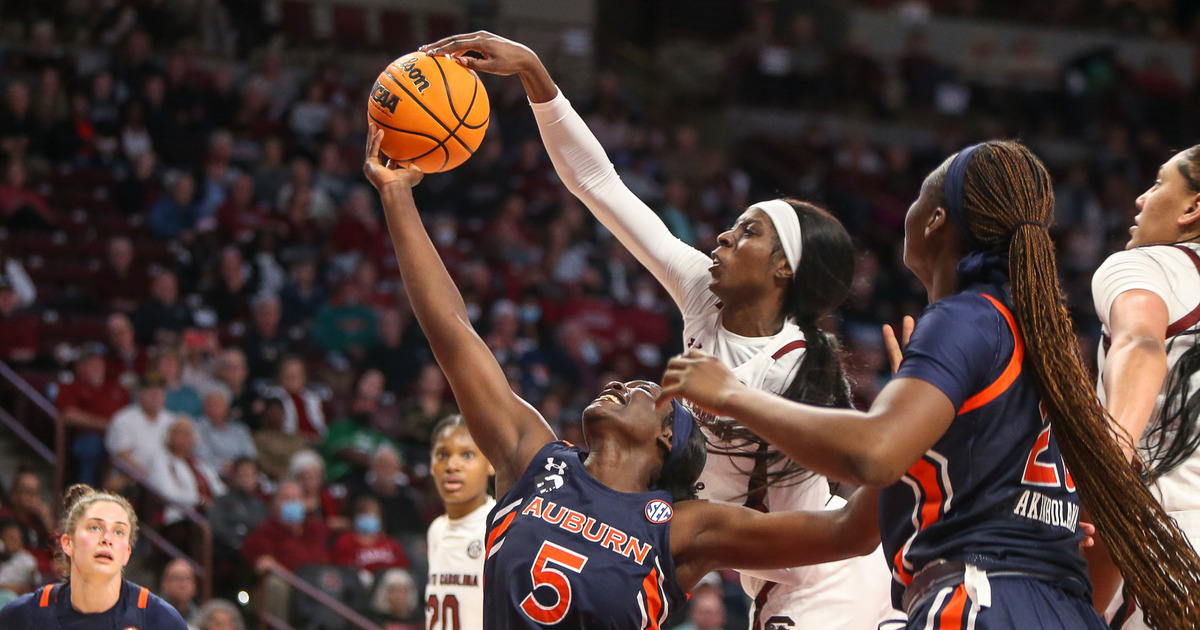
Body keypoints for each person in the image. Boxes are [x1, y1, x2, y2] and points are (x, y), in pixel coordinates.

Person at [421, 32, 891, 629]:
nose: (722, 237)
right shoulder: (703, 289)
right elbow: (599, 185)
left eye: (747, 233)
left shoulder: (796, 363)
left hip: (825, 570)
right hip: (764, 576)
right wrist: (537, 76)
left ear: (783, 270)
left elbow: (857, 469)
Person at [656, 140, 1200, 629]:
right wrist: (916, 411)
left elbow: (872, 454)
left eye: (918, 199)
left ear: (937, 220)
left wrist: (733, 395)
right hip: (1064, 608)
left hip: (980, 598)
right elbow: (858, 523)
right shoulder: (1045, 349)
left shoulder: (966, 317)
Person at [1092, 144, 1200, 629]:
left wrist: (1108, 458)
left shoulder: (1149, 266)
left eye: (1158, 183)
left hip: (1165, 550)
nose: (1141, 198)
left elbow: (1140, 343)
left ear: (1193, 209)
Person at [0, 484, 188, 628]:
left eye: (119, 531)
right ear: (68, 543)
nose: (107, 539)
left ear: (127, 554)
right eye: (95, 527)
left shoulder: (160, 620)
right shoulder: (23, 616)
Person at [425, 415, 495, 630]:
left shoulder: (500, 525)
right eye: (442, 455)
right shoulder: (436, 529)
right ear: (431, 463)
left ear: (491, 463)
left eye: (467, 455)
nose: (452, 466)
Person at [330, 496, 409, 573]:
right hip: (361, 582)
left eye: (375, 514)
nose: (370, 517)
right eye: (366, 513)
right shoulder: (345, 541)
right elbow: (343, 569)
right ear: (355, 516)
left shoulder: (390, 543)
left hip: (388, 581)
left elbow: (403, 567)